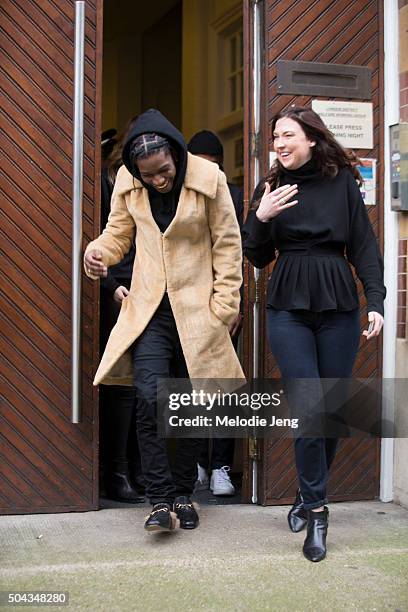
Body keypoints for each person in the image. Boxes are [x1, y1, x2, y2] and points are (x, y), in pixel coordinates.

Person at [84, 108, 244, 533]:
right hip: (150, 310)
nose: (156, 180)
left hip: (198, 311)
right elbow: (118, 234)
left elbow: (228, 245)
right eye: (147, 175)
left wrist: (224, 306)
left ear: (176, 154)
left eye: (163, 171)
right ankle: (158, 501)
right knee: (150, 398)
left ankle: (183, 493)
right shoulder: (127, 182)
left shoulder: (209, 182)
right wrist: (97, 252)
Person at [242, 106, 385, 562]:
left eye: (287, 136)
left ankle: (307, 496)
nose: (278, 145)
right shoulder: (270, 188)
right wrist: (261, 217)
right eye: (275, 138)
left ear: (311, 139)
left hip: (338, 302)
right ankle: (318, 512)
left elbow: (363, 245)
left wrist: (378, 302)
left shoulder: (342, 180)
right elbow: (256, 256)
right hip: (288, 303)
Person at [187, 130, 244, 496]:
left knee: (222, 390)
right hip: (188, 304)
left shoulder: (234, 196)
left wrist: (235, 301)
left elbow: (239, 251)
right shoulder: (180, 196)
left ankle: (221, 465)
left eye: (213, 166)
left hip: (224, 304)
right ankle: (195, 464)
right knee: (190, 389)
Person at [99, 121, 144, 504]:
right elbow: (100, 239)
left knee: (150, 386)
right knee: (122, 388)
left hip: (153, 292)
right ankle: (116, 474)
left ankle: (139, 469)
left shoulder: (159, 184)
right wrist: (111, 286)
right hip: (120, 293)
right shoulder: (107, 182)